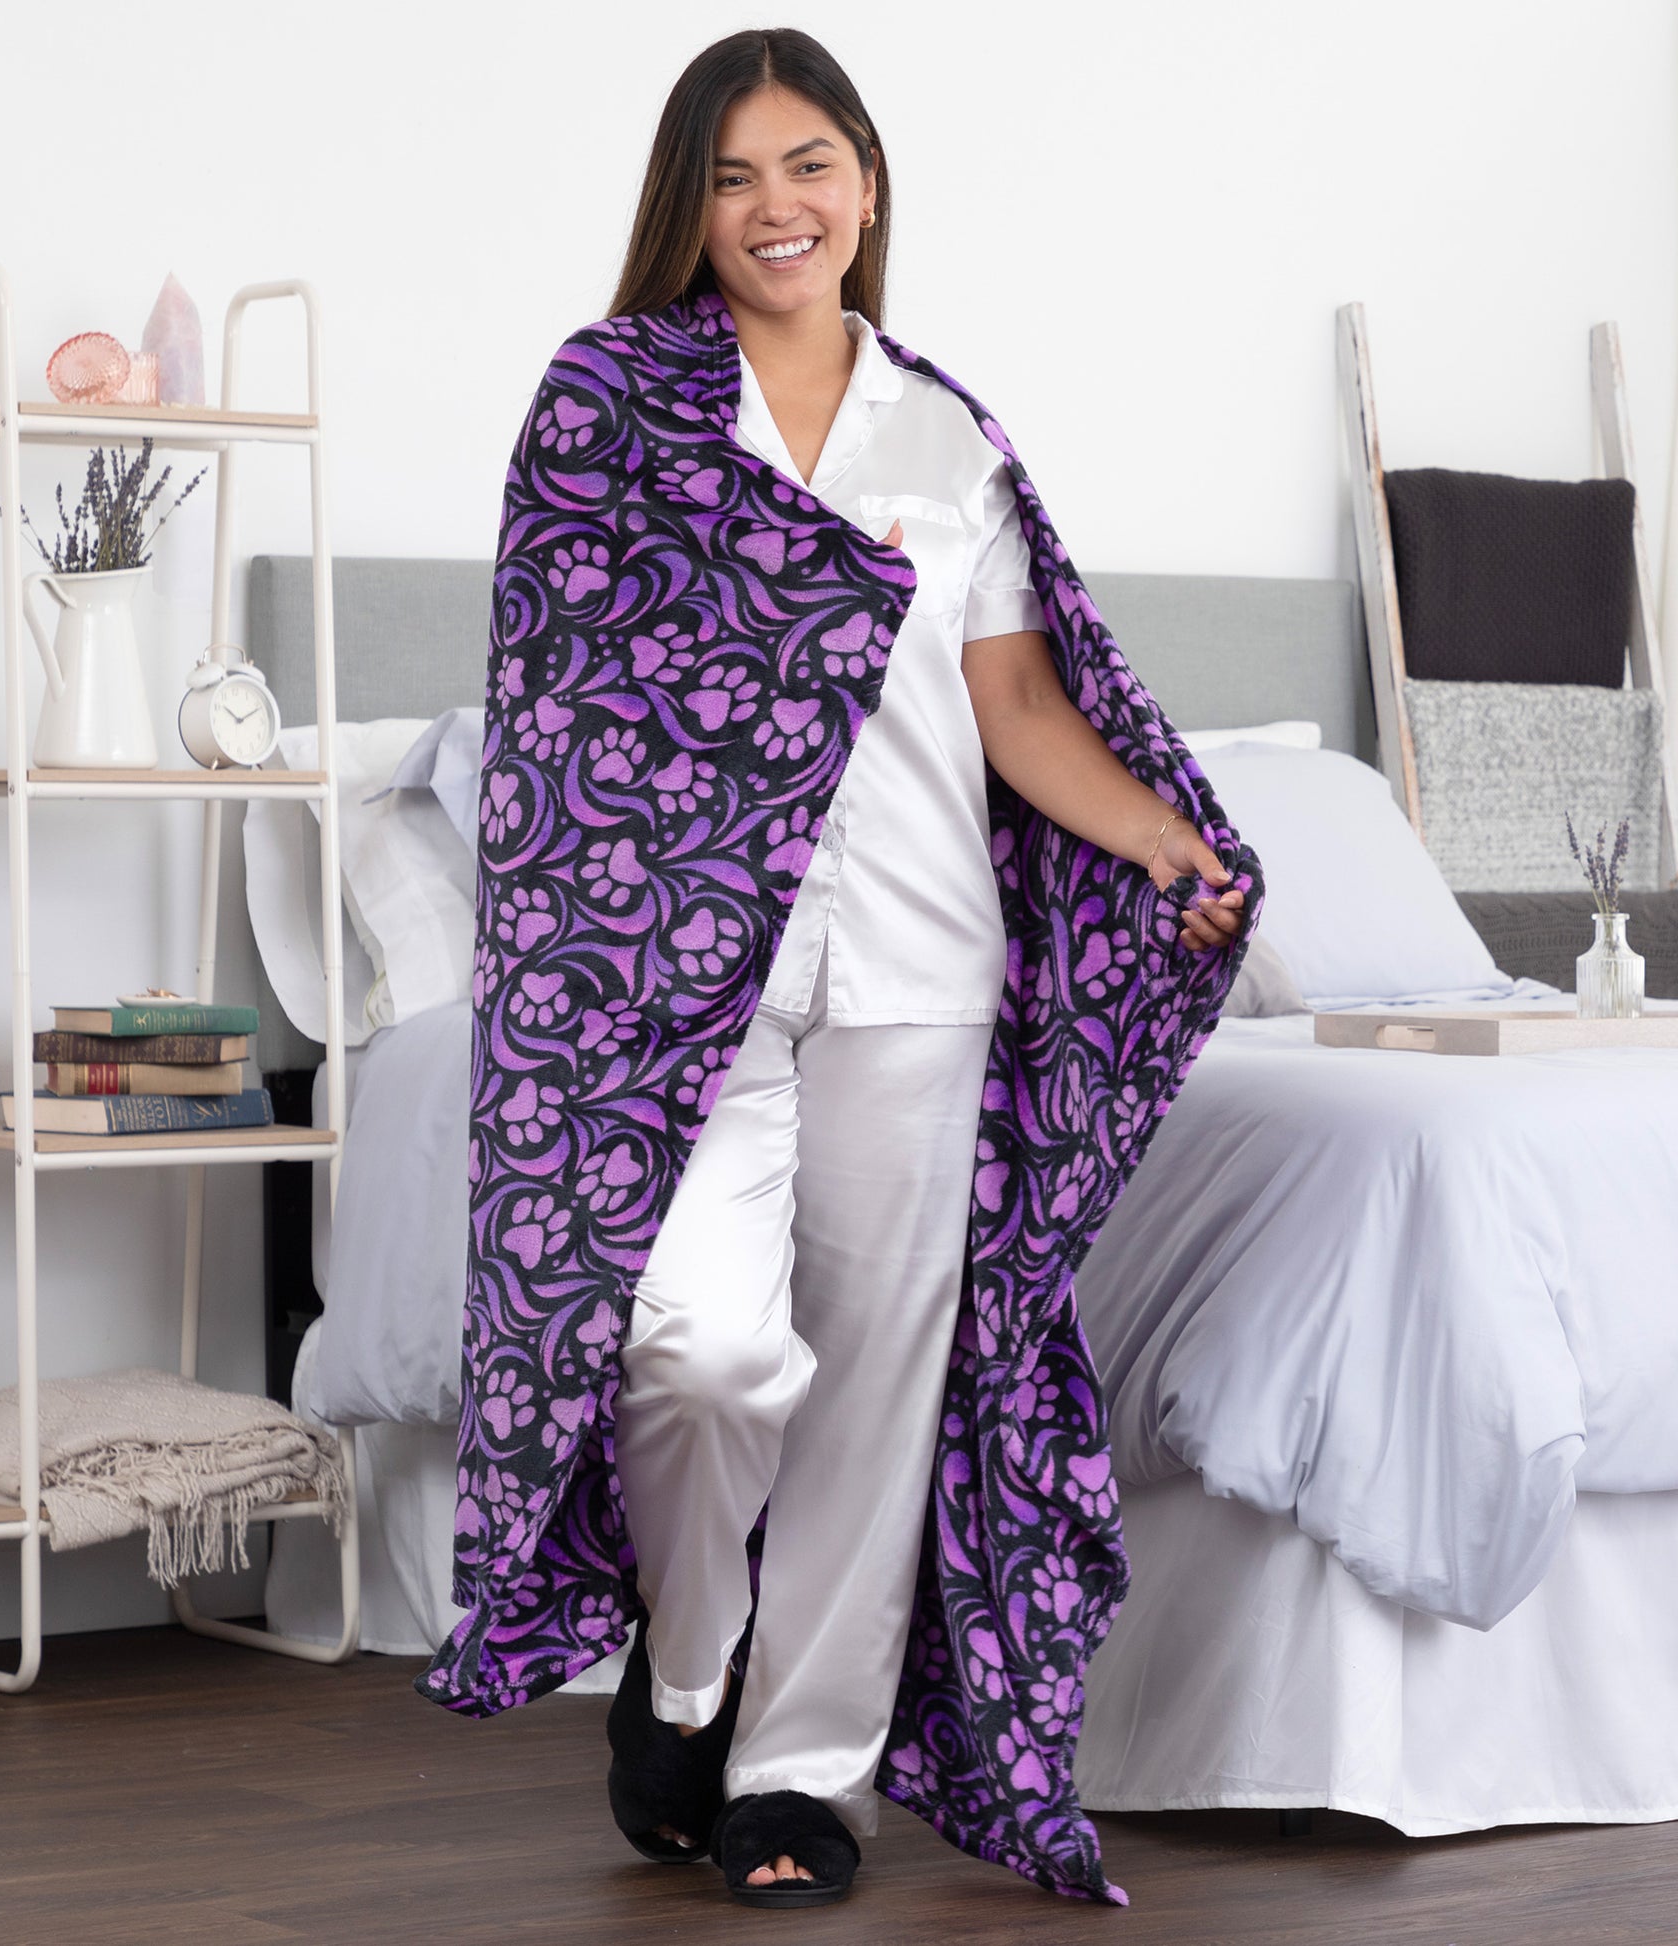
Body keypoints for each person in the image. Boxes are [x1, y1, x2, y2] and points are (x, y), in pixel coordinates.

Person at [419, 26, 1256, 1912]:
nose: (773, 208)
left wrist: (1159, 840)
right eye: (731, 178)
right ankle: (690, 1663)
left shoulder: (943, 432)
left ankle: (801, 1776)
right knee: (696, 1349)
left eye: (806, 166)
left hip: (915, 958)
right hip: (674, 980)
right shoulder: (610, 403)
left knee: (877, 1389)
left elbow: (1018, 707)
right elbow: (557, 702)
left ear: (865, 184)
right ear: (688, 208)